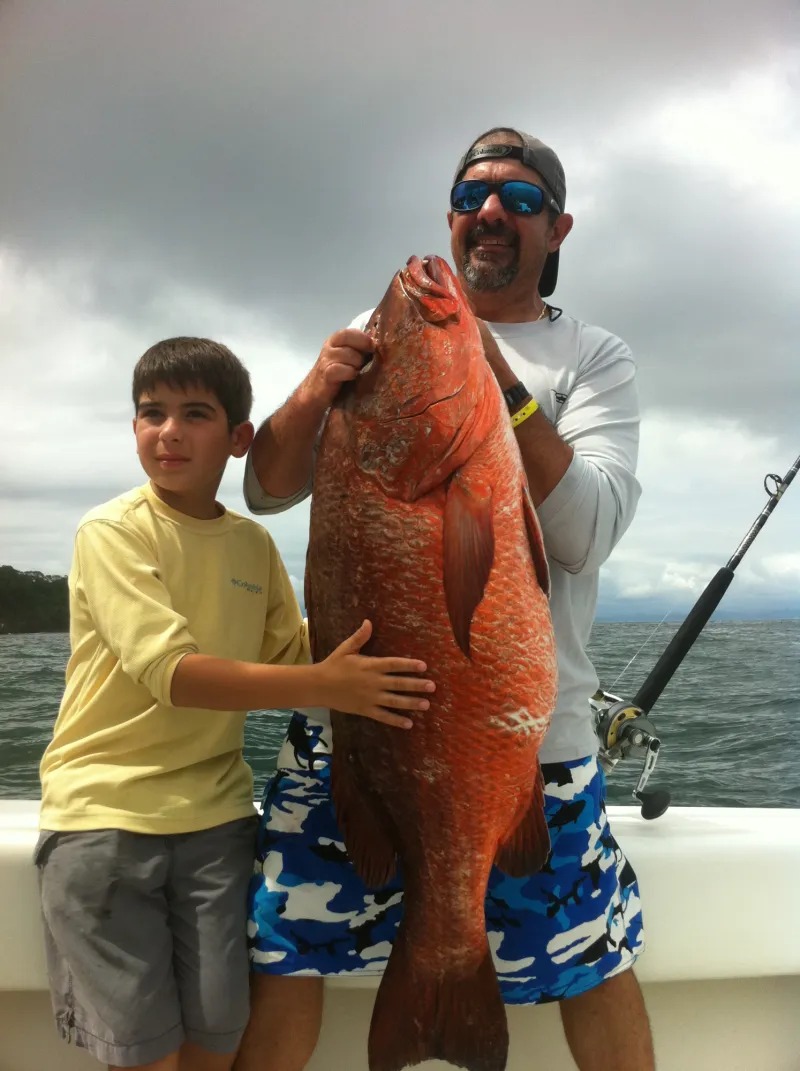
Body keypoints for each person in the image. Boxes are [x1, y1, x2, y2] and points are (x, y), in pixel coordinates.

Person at [237, 128, 655, 1071]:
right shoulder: (384, 330)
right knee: (284, 961)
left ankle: (449, 958)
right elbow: (265, 487)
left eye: (519, 198)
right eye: (470, 197)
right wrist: (315, 387)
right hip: (351, 726)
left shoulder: (594, 356)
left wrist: (497, 388)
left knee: (594, 965)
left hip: (525, 738)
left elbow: (585, 533)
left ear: (559, 225)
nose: (489, 215)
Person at [35, 337, 434, 1071]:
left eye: (195, 414)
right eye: (151, 414)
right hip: (102, 824)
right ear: (133, 430)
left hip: (215, 825)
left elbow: (291, 654)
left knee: (215, 1045)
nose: (169, 432)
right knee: (146, 1058)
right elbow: (175, 672)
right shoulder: (112, 532)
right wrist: (327, 685)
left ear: (239, 438)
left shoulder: (252, 545)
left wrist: (411, 628)